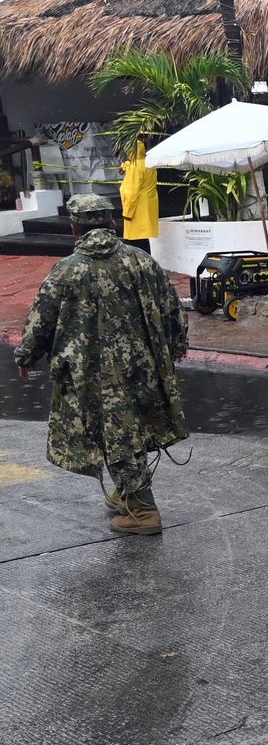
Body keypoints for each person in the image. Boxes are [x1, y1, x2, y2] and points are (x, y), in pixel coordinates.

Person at [14, 193, 188, 535]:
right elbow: (172, 308)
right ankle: (128, 493)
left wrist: (26, 357)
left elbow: (41, 320)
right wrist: (178, 345)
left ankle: (142, 510)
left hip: (90, 374)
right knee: (131, 429)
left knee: (115, 433)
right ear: (112, 224)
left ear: (75, 229)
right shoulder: (142, 261)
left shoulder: (66, 271)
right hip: (142, 366)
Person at [119, 142, 160, 253]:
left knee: (135, 242)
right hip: (147, 207)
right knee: (144, 239)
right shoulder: (149, 164)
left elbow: (131, 192)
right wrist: (125, 165)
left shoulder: (135, 168)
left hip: (137, 209)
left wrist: (127, 212)